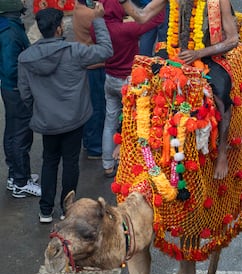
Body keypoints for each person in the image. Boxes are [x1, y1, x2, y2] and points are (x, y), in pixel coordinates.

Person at [120, 0, 241, 179]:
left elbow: (233, 39)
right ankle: (125, 138)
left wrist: (199, 53)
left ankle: (222, 152)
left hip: (206, 55)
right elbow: (142, 16)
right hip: (174, 54)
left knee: (222, 93)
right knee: (140, 79)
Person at [18, 6, 113, 223]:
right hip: (74, 119)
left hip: (47, 121)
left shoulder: (26, 58)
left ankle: (45, 210)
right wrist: (98, 20)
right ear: (60, 28)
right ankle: (66, 208)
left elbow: (24, 93)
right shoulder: (74, 51)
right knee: (70, 163)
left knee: (49, 161)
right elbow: (107, 50)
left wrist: (40, 110)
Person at [100, 0, 164, 178]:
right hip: (128, 81)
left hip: (109, 78)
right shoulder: (126, 29)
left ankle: (107, 164)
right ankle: (129, 161)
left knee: (110, 121)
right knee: (134, 122)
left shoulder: (98, 27)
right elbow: (156, 19)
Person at [0, 0, 41, 198]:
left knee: (12, 132)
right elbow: (11, 68)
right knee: (20, 135)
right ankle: (21, 182)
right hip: (16, 90)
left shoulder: (8, 26)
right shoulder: (9, 32)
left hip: (10, 89)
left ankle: (15, 175)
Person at [72, 0, 107, 160]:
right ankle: (95, 147)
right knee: (97, 107)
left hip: (88, 64)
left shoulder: (79, 9)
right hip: (95, 66)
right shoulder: (88, 14)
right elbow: (105, 31)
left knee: (91, 105)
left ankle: (89, 142)